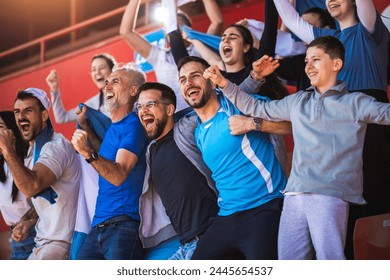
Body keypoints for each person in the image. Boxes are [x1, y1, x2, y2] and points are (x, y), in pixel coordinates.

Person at [218, 36, 390, 259]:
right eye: (307, 60)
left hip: (330, 193)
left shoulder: (356, 102)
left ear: (336, 64)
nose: (308, 66)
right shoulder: (298, 100)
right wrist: (224, 84)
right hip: (294, 194)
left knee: (330, 260)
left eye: (316, 59)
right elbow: (255, 106)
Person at [273, 0, 390, 259]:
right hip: (337, 129)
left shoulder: (372, 29)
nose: (331, 0)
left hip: (374, 125)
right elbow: (291, 20)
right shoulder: (328, 40)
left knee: (377, 209)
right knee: (341, 222)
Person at [177, 56, 287, 259]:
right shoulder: (199, 133)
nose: (189, 83)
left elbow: (291, 123)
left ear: (211, 79)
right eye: (183, 80)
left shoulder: (239, 106)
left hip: (264, 206)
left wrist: (254, 124)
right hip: (226, 215)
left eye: (195, 76)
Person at [71, 63, 148, 260]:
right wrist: (86, 126)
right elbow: (105, 155)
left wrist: (87, 152)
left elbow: (118, 174)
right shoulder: (114, 128)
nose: (107, 87)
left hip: (123, 226)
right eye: (106, 83)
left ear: (133, 90)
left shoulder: (134, 126)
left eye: (115, 81)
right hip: (98, 226)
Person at [136, 82, 219, 260]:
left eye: (150, 104)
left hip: (211, 234)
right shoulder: (151, 151)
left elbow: (216, 105)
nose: (143, 111)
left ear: (169, 110)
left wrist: (254, 78)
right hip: (185, 243)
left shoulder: (186, 129)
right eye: (139, 106)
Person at [0, 88, 81, 260]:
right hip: (42, 243)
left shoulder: (55, 146)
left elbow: (32, 187)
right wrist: (28, 222)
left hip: (61, 245)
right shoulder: (32, 155)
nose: (21, 116)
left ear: (44, 115)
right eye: (17, 112)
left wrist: (7, 150)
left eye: (28, 111)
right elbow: (46, 201)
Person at [119, 0, 223, 113]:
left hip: (206, 110)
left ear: (189, 28)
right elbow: (126, 32)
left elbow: (217, 22)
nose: (174, 29)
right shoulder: (158, 56)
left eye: (178, 24)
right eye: (170, 25)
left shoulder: (200, 48)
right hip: (176, 118)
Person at [0, 111, 36, 260]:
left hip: (35, 234)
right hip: (16, 236)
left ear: (13, 130)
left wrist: (28, 222)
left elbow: (47, 203)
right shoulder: (2, 164)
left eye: (1, 126)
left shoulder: (30, 159)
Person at [46, 53, 116, 123]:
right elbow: (62, 117)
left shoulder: (124, 92)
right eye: (93, 70)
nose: (97, 72)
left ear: (112, 70)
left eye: (101, 68)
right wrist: (54, 89)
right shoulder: (92, 104)